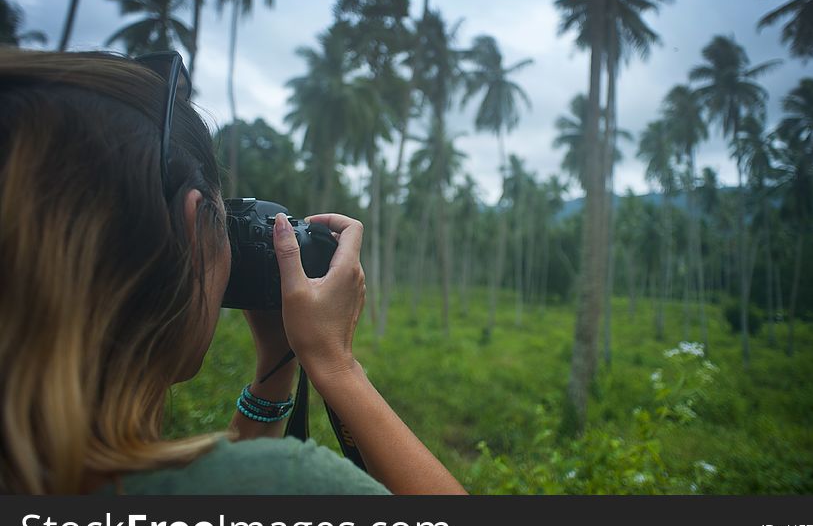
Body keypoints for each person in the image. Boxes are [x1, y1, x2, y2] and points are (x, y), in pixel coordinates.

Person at [0, 49, 466, 495]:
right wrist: (336, 364)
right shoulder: (290, 485)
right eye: (222, 224)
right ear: (192, 225)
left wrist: (275, 365)